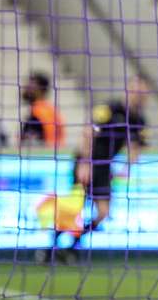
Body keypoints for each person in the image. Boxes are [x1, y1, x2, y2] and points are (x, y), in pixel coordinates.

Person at [36, 77, 149, 264]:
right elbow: (88, 132)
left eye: (143, 94)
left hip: (105, 168)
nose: (139, 97)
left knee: (103, 213)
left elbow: (138, 146)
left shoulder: (139, 121)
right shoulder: (110, 109)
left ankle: (72, 245)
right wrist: (85, 162)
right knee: (74, 210)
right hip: (87, 162)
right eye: (137, 92)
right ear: (129, 90)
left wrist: (126, 168)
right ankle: (50, 249)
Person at [20, 72, 65, 149]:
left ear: (40, 89)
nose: (26, 88)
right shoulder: (52, 110)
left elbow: (29, 144)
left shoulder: (36, 114)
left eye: (30, 85)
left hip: (42, 157)